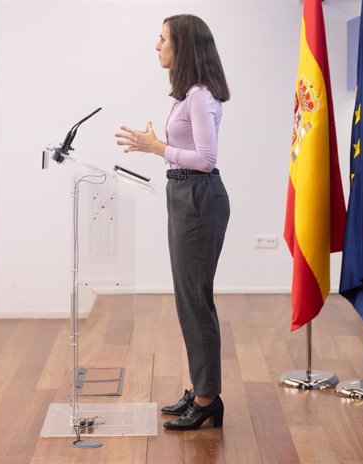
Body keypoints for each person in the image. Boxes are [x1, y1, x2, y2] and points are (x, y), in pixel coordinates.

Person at [115, 14, 230, 431]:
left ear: (182, 46)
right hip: (183, 194)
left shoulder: (199, 95)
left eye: (162, 39)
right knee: (188, 299)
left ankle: (207, 398)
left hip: (199, 197)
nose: (156, 46)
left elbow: (207, 159)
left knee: (195, 300)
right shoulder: (185, 95)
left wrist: (157, 147)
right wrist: (157, 147)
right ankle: (201, 388)